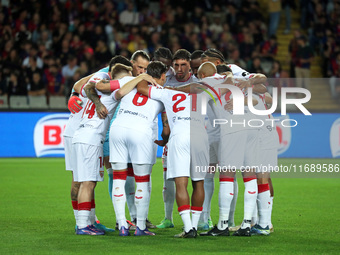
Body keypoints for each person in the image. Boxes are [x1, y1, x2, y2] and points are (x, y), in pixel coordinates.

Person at [72, 63, 146, 235]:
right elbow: (122, 90)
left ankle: (85, 223)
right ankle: (83, 225)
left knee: (84, 182)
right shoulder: (113, 94)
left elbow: (84, 86)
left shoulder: (96, 92)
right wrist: (140, 77)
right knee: (88, 183)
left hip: (80, 136)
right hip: (91, 139)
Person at [137, 61, 208, 238]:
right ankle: (195, 226)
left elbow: (141, 88)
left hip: (180, 135)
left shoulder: (168, 92)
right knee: (198, 183)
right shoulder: (203, 92)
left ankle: (188, 228)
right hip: (200, 135)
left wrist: (145, 76)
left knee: (180, 183)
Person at [108, 61, 167, 236]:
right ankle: (140, 226)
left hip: (117, 129)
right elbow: (167, 122)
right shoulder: (163, 92)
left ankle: (122, 225)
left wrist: (139, 78)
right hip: (140, 131)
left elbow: (117, 94)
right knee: (142, 181)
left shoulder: (131, 84)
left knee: (119, 178)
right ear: (162, 76)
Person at [156, 49, 199, 229]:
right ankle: (168, 218)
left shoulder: (197, 81)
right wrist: (165, 128)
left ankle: (204, 219)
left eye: (183, 65)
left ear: (190, 64)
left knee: (199, 180)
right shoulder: (167, 77)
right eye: (176, 65)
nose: (179, 69)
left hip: (189, 132)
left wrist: (173, 90)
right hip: (174, 133)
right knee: (168, 177)